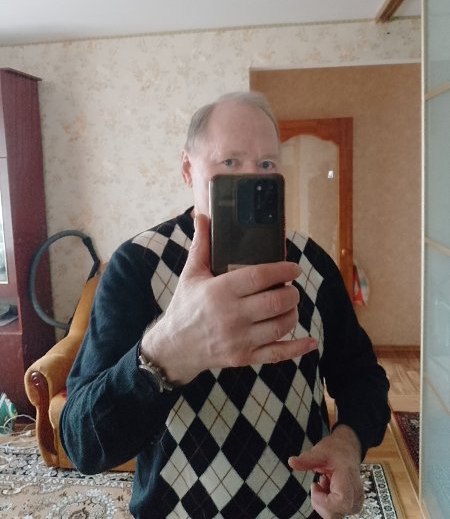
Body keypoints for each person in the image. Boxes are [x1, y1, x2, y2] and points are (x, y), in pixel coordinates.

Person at [60, 91, 390, 519]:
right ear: (187, 169)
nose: (251, 180)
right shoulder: (138, 265)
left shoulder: (311, 263)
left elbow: (362, 377)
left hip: (300, 510)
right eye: (230, 162)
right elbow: (82, 442)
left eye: (266, 165)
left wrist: (348, 442)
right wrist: (167, 352)